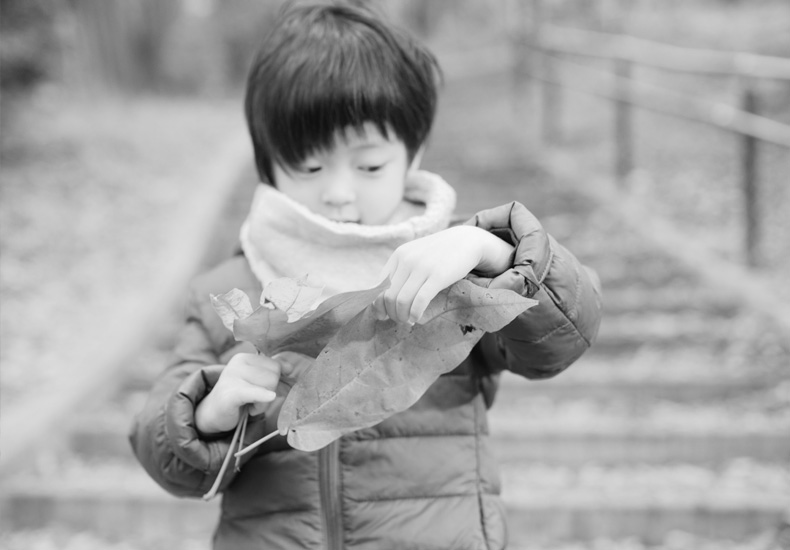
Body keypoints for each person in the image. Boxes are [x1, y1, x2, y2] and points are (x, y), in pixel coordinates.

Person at [129, 2, 603, 549]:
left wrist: (494, 253)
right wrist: (209, 412)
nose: (339, 192)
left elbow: (565, 337)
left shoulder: (455, 268)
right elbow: (160, 448)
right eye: (309, 166)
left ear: (412, 154)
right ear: (267, 163)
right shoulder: (233, 288)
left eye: (369, 166)